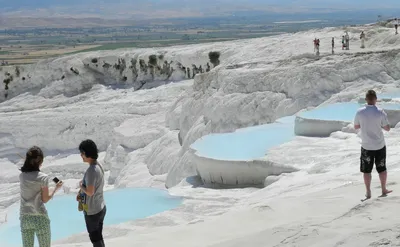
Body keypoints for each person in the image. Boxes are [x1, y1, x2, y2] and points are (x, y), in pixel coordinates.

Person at [19, 146, 63, 247]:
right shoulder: (43, 177)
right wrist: (56, 189)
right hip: (40, 217)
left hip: (25, 217)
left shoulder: (22, 176)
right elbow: (45, 199)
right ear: (40, 161)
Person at [354, 90, 392, 200]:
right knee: (382, 168)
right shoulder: (380, 112)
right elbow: (387, 128)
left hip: (366, 146)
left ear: (366, 99)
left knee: (367, 170)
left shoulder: (359, 112)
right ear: (375, 99)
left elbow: (356, 127)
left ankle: (368, 192)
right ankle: (383, 189)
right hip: (379, 145)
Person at [77, 139, 106, 247]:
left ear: (86, 153)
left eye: (82, 153)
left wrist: (81, 186)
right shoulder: (98, 165)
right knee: (98, 236)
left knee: (95, 238)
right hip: (100, 206)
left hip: (93, 211)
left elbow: (90, 192)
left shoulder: (91, 170)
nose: (81, 155)